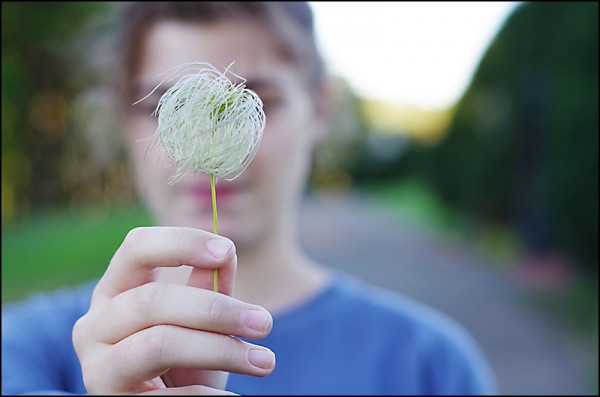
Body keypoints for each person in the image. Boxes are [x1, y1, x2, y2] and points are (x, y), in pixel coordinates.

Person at [2, 2, 498, 395]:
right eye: (163, 105)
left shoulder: (429, 366)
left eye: (256, 98)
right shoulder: (24, 350)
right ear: (122, 116)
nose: (202, 148)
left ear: (319, 107)